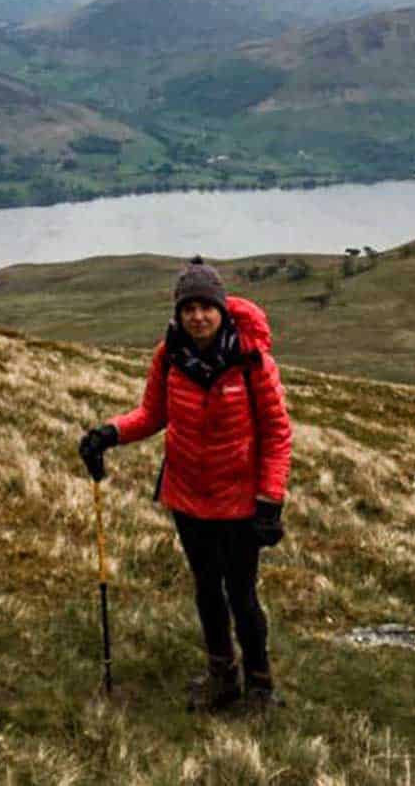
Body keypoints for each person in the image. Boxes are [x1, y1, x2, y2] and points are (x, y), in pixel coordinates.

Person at [79, 256, 293, 712]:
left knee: (242, 593)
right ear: (178, 313)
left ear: (222, 309)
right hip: (188, 497)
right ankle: (222, 676)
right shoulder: (170, 354)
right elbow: (153, 414)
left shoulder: (252, 360)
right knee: (205, 588)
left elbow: (277, 433)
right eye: (188, 308)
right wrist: (109, 433)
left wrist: (269, 502)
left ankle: (260, 685)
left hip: (238, 503)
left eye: (205, 307)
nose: (197, 316)